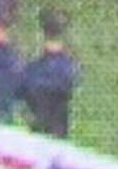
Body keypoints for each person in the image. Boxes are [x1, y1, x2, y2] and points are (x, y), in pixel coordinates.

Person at [12, 7, 79, 143]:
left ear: (42, 33)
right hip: (59, 133)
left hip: (37, 133)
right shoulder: (69, 67)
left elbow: (20, 93)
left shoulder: (31, 69)